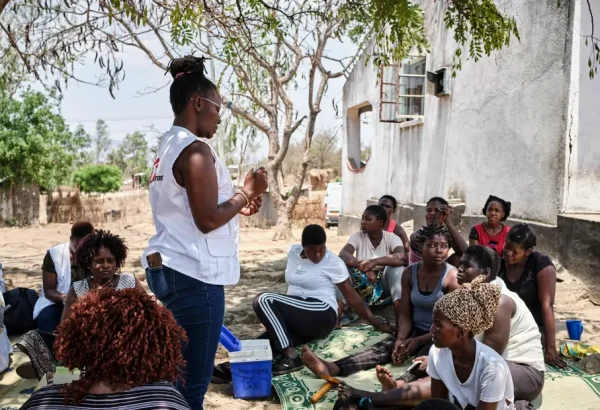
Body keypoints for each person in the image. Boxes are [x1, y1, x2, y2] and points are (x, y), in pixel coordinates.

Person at [141, 55, 268, 410]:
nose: (220, 116)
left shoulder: (168, 146)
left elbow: (191, 209)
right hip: (194, 278)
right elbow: (207, 220)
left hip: (170, 269)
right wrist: (248, 191)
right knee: (192, 385)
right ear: (198, 103)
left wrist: (235, 204)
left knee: (176, 376)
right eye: (218, 107)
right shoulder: (196, 151)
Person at [301, 225, 458, 378]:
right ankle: (334, 368)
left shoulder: (452, 277)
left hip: (440, 334)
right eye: (432, 245)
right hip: (414, 330)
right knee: (382, 349)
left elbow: (450, 324)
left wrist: (418, 341)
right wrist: (402, 338)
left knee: (426, 362)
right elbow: (404, 313)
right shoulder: (410, 272)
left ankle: (400, 386)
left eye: (444, 246)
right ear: (420, 246)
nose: (439, 250)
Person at [336, 277, 516, 410]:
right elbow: (438, 405)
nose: (431, 330)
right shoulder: (438, 353)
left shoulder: (492, 368)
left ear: (461, 331)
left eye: (438, 325)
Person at [252, 225, 394, 375]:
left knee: (264, 300)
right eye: (312, 251)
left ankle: (291, 356)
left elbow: (352, 298)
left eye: (322, 250)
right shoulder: (293, 252)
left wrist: (376, 324)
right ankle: (227, 372)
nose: (318, 255)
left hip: (322, 314)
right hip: (300, 320)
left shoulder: (333, 262)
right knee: (255, 347)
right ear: (303, 246)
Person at [20, 288, 190, 410]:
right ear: (155, 345)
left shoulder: (42, 401)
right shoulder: (169, 400)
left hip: (72, 376)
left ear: (76, 342)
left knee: (50, 373)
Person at [16, 230, 144, 380]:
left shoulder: (130, 282)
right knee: (31, 338)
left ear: (117, 262)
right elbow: (65, 327)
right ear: (88, 264)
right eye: (99, 261)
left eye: (110, 260)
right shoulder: (78, 289)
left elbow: (150, 315)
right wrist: (93, 300)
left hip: (123, 345)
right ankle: (60, 371)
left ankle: (55, 373)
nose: (106, 266)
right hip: (87, 345)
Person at [499, 224, 566, 369]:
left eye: (514, 251)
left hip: (532, 330)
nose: (508, 253)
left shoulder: (541, 264)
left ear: (528, 251)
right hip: (506, 328)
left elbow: (547, 305)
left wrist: (550, 348)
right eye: (507, 247)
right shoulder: (499, 264)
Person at [33, 221, 94, 334]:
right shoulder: (54, 255)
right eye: (81, 244)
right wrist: (64, 298)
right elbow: (48, 290)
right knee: (47, 321)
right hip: (57, 304)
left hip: (88, 303)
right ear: (73, 240)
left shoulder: (95, 254)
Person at [339, 205, 407, 306]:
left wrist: (374, 262)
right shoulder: (358, 236)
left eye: (368, 219)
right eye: (362, 218)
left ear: (380, 222)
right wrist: (363, 266)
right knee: (341, 267)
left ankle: (400, 311)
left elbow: (402, 257)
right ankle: (341, 307)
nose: (363, 222)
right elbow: (343, 254)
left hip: (383, 286)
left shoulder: (391, 238)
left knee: (397, 269)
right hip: (360, 283)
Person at [409, 197, 467, 267]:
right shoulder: (417, 236)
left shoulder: (446, 233)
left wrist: (447, 221)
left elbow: (465, 252)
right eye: (429, 210)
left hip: (439, 271)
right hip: (421, 273)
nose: (432, 213)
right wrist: (439, 222)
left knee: (459, 258)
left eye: (437, 211)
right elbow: (431, 259)